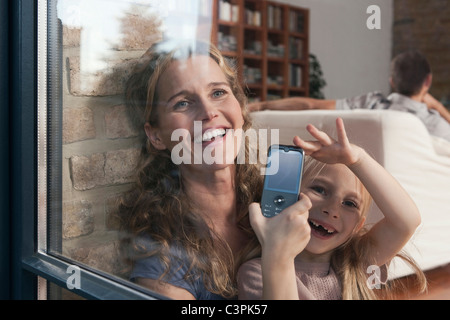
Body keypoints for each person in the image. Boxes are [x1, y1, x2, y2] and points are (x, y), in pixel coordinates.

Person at [118, 39, 270, 300]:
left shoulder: (275, 200)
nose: (209, 112)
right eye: (183, 103)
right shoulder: (162, 257)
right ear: (155, 135)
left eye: (218, 93)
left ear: (240, 107)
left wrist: (357, 161)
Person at [237, 118, 427, 300]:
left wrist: (358, 159)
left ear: (357, 227)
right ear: (290, 196)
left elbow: (407, 221)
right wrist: (279, 253)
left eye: (350, 203)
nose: (332, 210)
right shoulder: (257, 273)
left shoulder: (356, 263)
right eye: (319, 190)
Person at [248, 51, 450, 142]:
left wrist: (260, 106)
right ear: (428, 81)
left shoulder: (372, 103)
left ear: (392, 82)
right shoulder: (435, 124)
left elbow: (311, 104)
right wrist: (440, 109)